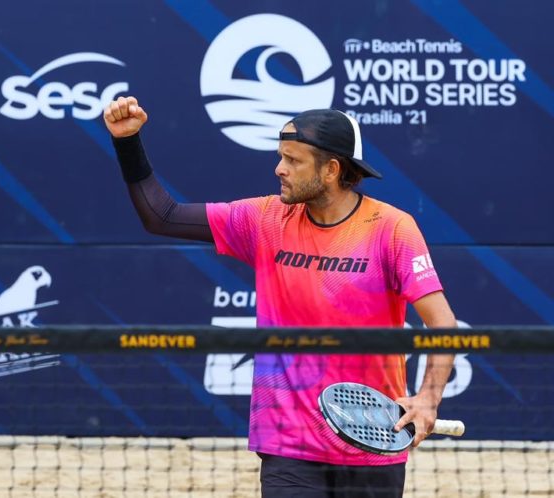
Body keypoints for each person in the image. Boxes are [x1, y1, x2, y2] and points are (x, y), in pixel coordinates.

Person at [104, 96, 457, 497]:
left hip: (372, 439)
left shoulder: (391, 229)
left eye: (292, 160)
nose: (279, 169)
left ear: (331, 170)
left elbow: (441, 323)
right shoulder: (264, 219)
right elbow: (161, 216)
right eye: (280, 156)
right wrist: (127, 142)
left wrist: (428, 399)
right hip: (288, 443)